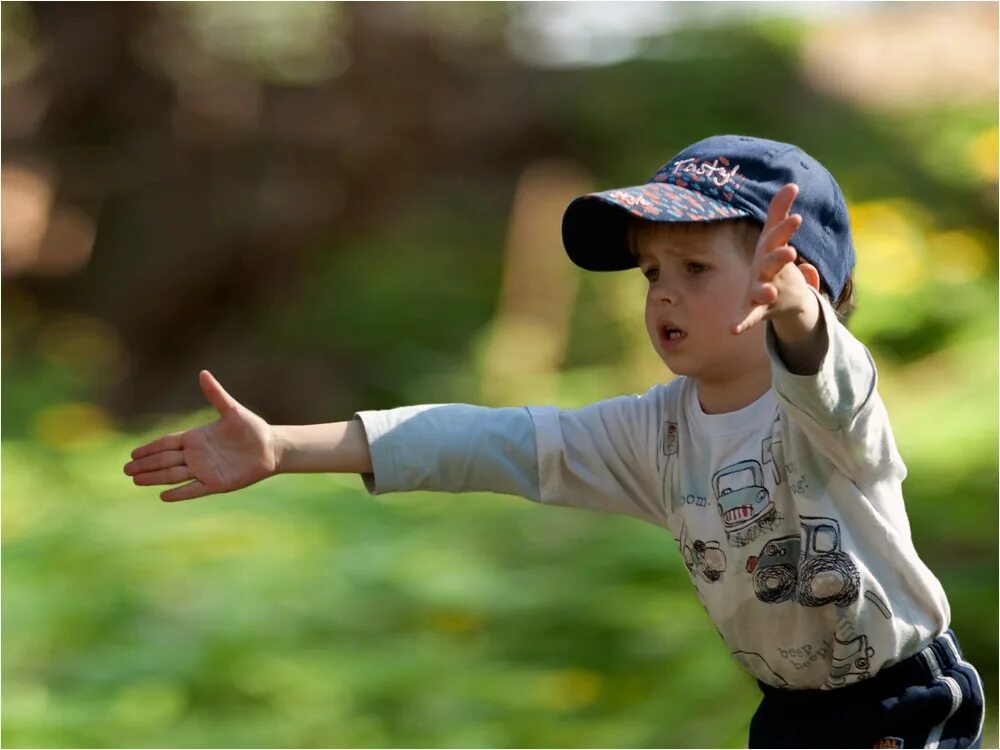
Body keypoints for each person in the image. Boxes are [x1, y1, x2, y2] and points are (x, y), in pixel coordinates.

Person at [123, 135, 984, 748]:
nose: (663, 297)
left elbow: (823, 369)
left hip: (900, 706)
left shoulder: (832, 409)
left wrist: (796, 311)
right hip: (790, 715)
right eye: (653, 273)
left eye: (695, 270)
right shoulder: (658, 431)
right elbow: (484, 441)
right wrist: (285, 447)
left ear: (801, 279)